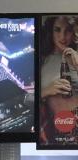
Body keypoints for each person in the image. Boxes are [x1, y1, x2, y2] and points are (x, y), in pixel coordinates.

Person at [38, 15, 78, 146]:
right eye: (58, 30)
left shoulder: (76, 56)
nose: (63, 36)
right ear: (51, 31)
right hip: (58, 126)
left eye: (68, 30)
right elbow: (26, 98)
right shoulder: (41, 60)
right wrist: (46, 91)